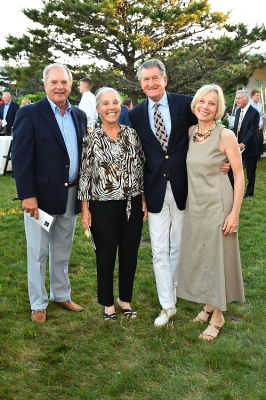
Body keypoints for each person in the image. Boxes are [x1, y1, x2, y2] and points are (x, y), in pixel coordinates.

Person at [12, 63, 87, 323]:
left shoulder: (78, 115)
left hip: (70, 194)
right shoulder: (30, 114)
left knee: (63, 249)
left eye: (64, 82)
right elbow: (21, 158)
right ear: (45, 84)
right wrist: (27, 195)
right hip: (40, 198)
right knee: (38, 251)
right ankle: (38, 302)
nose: (59, 87)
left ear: (70, 84)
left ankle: (61, 294)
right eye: (54, 82)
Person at [177, 84, 245, 341]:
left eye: (212, 103)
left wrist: (234, 213)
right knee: (203, 255)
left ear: (219, 109)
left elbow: (239, 176)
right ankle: (208, 303)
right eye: (202, 101)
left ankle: (218, 315)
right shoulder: (192, 131)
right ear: (195, 104)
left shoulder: (225, 135)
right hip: (196, 205)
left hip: (218, 203)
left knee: (217, 257)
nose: (205, 106)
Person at [78, 87, 147, 321]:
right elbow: (85, 175)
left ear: (121, 106)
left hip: (132, 203)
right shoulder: (91, 138)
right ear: (98, 109)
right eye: (105, 104)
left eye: (115, 102)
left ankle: (124, 299)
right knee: (106, 255)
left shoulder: (132, 134)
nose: (111, 107)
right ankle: (107, 303)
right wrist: (85, 209)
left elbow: (141, 168)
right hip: (102, 206)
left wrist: (144, 200)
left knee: (129, 254)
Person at [233, 90, 260, 198]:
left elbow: (252, 131)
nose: (237, 100)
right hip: (237, 146)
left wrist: (244, 143)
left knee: (250, 172)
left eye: (239, 98)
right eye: (236, 98)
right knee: (237, 171)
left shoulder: (254, 113)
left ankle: (249, 193)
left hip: (250, 147)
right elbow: (236, 128)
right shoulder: (238, 111)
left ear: (245, 98)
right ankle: (237, 190)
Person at [250, 89, 264, 158]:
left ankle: (258, 156)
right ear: (252, 96)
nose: (258, 97)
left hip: (259, 126)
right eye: (257, 95)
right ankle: (252, 155)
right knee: (252, 141)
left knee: (260, 140)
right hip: (251, 126)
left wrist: (261, 123)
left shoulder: (260, 105)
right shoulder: (248, 105)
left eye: (259, 95)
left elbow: (261, 115)